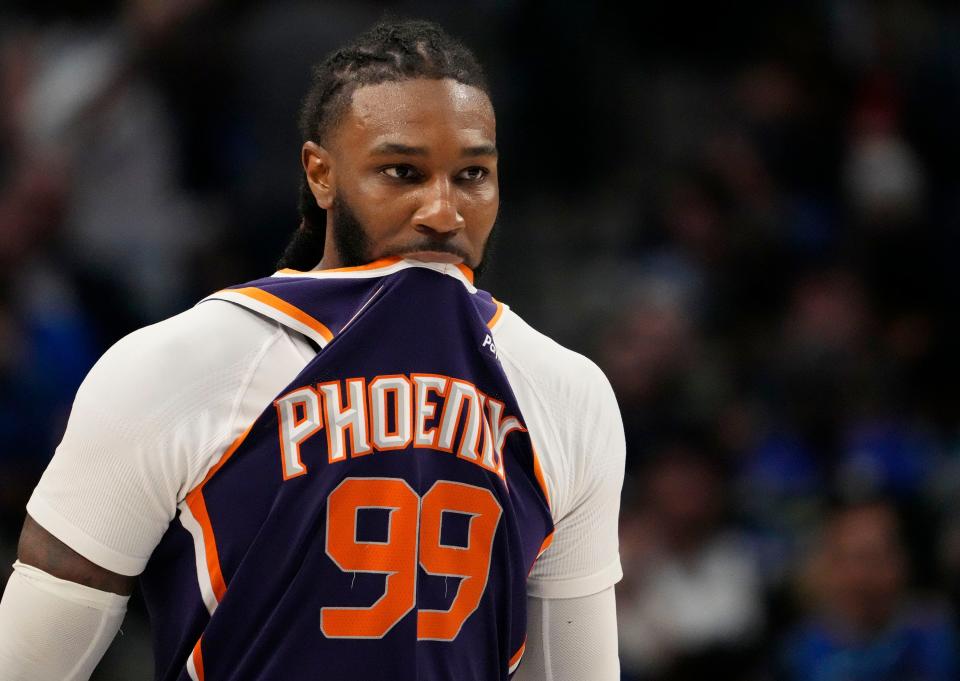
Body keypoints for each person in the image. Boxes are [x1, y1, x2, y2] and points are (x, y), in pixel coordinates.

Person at [0, 19, 625, 681]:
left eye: (472, 174)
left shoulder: (569, 392)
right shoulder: (180, 367)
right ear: (320, 175)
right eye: (402, 171)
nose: (444, 212)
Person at [780, 500, 958, 681]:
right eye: (853, 559)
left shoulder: (933, 633)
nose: (863, 576)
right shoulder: (800, 652)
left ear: (901, 563)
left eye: (875, 558)